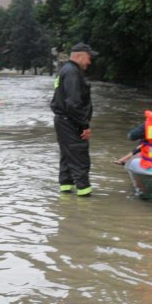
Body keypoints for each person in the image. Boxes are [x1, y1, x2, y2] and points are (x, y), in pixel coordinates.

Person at [51, 42, 97, 196]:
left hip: (63, 120)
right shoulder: (72, 72)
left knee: (67, 157)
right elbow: (73, 103)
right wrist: (84, 125)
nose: (89, 62)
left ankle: (65, 194)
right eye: (88, 58)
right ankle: (85, 197)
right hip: (70, 122)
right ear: (78, 56)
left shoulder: (66, 70)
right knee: (80, 158)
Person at [114, 97, 152, 165]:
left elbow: (131, 136)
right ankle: (126, 158)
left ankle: (126, 158)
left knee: (145, 139)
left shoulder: (150, 123)